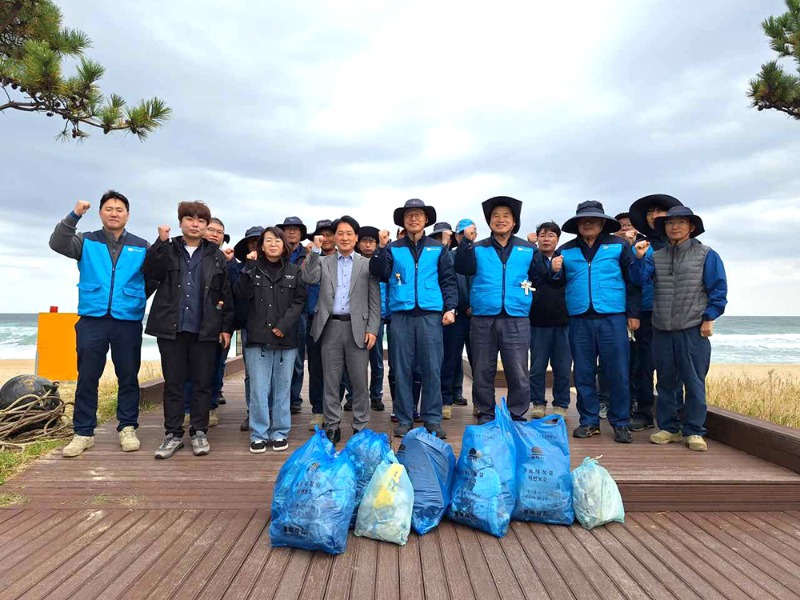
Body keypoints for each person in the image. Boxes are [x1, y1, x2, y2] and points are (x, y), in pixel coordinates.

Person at [49, 191, 150, 457]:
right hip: (92, 319)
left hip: (127, 321)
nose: (114, 213)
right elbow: (58, 243)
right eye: (108, 209)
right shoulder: (86, 241)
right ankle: (83, 432)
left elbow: (153, 277)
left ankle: (127, 427)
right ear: (101, 213)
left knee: (128, 376)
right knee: (87, 377)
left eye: (119, 209)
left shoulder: (141, 245)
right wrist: (74, 215)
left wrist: (135, 298)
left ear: (127, 215)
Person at [633, 206, 727, 452]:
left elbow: (718, 289)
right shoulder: (656, 255)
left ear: (692, 226)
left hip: (692, 327)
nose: (675, 227)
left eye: (681, 222)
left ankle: (695, 430)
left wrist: (709, 317)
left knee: (694, 381)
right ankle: (670, 428)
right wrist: (640, 257)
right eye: (669, 223)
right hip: (661, 327)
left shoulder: (706, 254)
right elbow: (641, 281)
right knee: (665, 382)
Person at [143, 201, 233, 459]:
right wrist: (160, 243)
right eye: (189, 219)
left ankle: (199, 432)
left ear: (206, 226)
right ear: (181, 222)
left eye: (200, 221)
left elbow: (225, 293)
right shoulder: (168, 249)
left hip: (205, 328)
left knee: (203, 383)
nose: (195, 224)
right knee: (173, 383)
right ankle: (172, 435)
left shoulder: (215, 256)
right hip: (171, 328)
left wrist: (226, 327)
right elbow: (150, 271)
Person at [551, 201, 641, 444]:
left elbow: (633, 281)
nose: (588, 223)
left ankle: (621, 423)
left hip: (612, 317)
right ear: (577, 224)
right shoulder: (565, 250)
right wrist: (554, 270)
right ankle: (589, 421)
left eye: (593, 219)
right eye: (583, 220)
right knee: (583, 373)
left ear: (602, 223)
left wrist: (633, 314)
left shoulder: (619, 245)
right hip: (579, 318)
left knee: (618, 373)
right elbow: (556, 284)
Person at [455, 196, 549, 423]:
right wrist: (465, 243)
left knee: (518, 372)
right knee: (482, 371)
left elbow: (540, 278)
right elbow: (462, 267)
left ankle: (517, 415)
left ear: (515, 221)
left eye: (506, 216)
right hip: (483, 318)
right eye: (495, 216)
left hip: (516, 318)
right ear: (488, 222)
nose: (500, 220)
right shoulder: (477, 249)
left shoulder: (528, 249)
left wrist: (524, 300)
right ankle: (486, 414)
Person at [370, 199, 457, 438]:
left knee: (432, 369)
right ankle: (405, 418)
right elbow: (379, 272)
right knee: (401, 369)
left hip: (431, 315)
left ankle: (432, 418)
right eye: (409, 215)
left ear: (426, 220)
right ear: (403, 220)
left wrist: (451, 308)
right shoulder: (392, 248)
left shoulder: (438, 249)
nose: (414, 219)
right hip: (401, 316)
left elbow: (448, 281)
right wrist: (380, 246)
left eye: (418, 214)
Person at [303, 216, 381, 444]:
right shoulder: (324, 261)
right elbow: (308, 277)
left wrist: (373, 329)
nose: (345, 237)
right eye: (340, 233)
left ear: (356, 237)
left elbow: (374, 301)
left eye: (349, 233)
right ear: (334, 238)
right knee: (331, 380)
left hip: (358, 328)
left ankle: (360, 426)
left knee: (359, 381)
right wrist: (314, 251)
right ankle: (332, 424)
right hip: (330, 327)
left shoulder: (366, 264)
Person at [235, 227, 307, 453]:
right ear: (261, 246)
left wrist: (283, 326)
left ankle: (280, 431)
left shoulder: (294, 271)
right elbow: (241, 294)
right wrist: (248, 267)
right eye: (268, 240)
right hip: (257, 338)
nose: (273, 244)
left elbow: (299, 301)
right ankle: (259, 433)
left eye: (277, 240)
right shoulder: (251, 270)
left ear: (284, 245)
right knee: (258, 388)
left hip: (286, 339)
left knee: (282, 388)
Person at [627, 194, 685, 430]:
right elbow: (632, 283)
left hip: (676, 315)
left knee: (674, 367)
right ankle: (643, 412)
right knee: (643, 366)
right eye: (650, 212)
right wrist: (633, 313)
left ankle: (675, 415)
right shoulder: (641, 246)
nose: (654, 216)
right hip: (646, 314)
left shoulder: (685, 245)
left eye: (659, 211)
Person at [182, 216, 230, 428]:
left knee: (213, 368)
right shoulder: (188, 256)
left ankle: (209, 407)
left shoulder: (224, 261)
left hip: (214, 324)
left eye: (219, 232)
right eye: (211, 230)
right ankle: (186, 408)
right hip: (188, 323)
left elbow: (228, 297)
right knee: (187, 369)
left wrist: (226, 327)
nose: (214, 234)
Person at [528, 221, 571, 419]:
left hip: (564, 322)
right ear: (537, 238)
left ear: (558, 239)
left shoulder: (565, 259)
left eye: (551, 235)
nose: (546, 239)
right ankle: (538, 402)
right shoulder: (531, 259)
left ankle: (561, 404)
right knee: (537, 368)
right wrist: (550, 270)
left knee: (562, 367)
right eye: (543, 235)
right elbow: (533, 281)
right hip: (537, 322)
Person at [303, 219, 336, 431]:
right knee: (316, 367)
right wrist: (313, 252)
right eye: (321, 234)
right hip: (315, 318)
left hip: (338, 319)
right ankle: (317, 410)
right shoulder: (312, 258)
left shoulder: (345, 260)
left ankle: (333, 408)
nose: (325, 238)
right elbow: (308, 279)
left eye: (329, 234)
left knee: (337, 368)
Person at [230, 226, 264, 432]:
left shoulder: (279, 266)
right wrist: (250, 266)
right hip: (249, 326)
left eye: (259, 241)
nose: (256, 246)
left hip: (275, 328)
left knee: (274, 374)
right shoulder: (239, 268)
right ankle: (252, 413)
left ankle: (272, 412)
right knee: (252, 373)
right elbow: (237, 292)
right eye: (252, 242)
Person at [441, 218, 476, 417]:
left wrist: (476, 304)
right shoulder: (449, 256)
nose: (465, 238)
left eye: (469, 234)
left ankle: (479, 402)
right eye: (461, 234)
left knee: (478, 361)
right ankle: (446, 400)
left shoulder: (480, 254)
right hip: (455, 316)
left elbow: (485, 284)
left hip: (476, 316)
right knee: (450, 359)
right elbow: (447, 283)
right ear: (456, 236)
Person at [275, 217, 309, 415]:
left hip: (301, 312)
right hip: (277, 311)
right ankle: (279, 398)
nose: (292, 233)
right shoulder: (277, 253)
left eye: (296, 229)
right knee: (277, 357)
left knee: (297, 359)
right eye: (288, 229)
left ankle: (294, 398)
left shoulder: (307, 254)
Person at [356, 226, 388, 411]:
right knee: (353, 359)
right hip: (356, 316)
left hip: (378, 316)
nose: (368, 245)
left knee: (376, 359)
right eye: (364, 241)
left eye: (372, 242)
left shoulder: (383, 260)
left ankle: (376, 395)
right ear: (358, 244)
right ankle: (353, 396)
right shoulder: (353, 261)